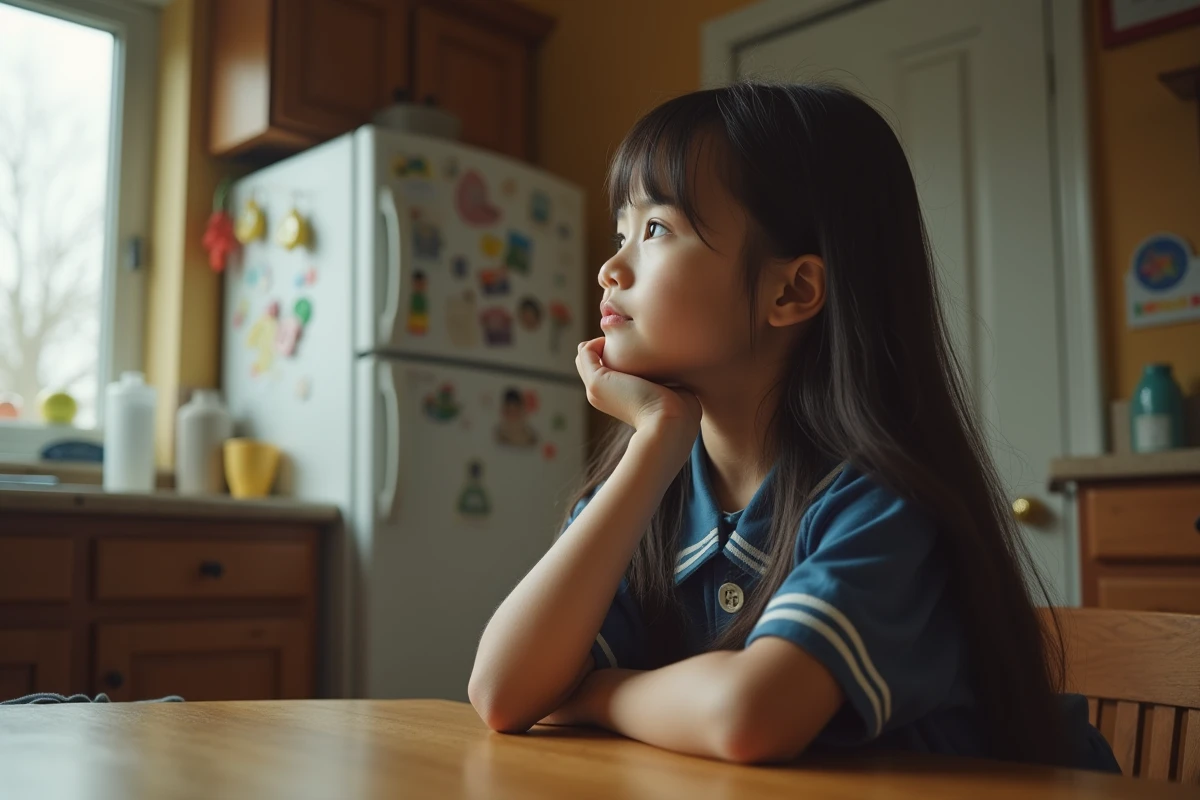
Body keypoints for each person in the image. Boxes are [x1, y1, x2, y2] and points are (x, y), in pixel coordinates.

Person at [468, 82, 1118, 771]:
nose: (609, 268)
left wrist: (596, 696)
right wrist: (655, 441)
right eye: (620, 231)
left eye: (656, 229)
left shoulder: (880, 503)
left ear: (792, 291)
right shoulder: (650, 491)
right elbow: (504, 692)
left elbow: (750, 716)